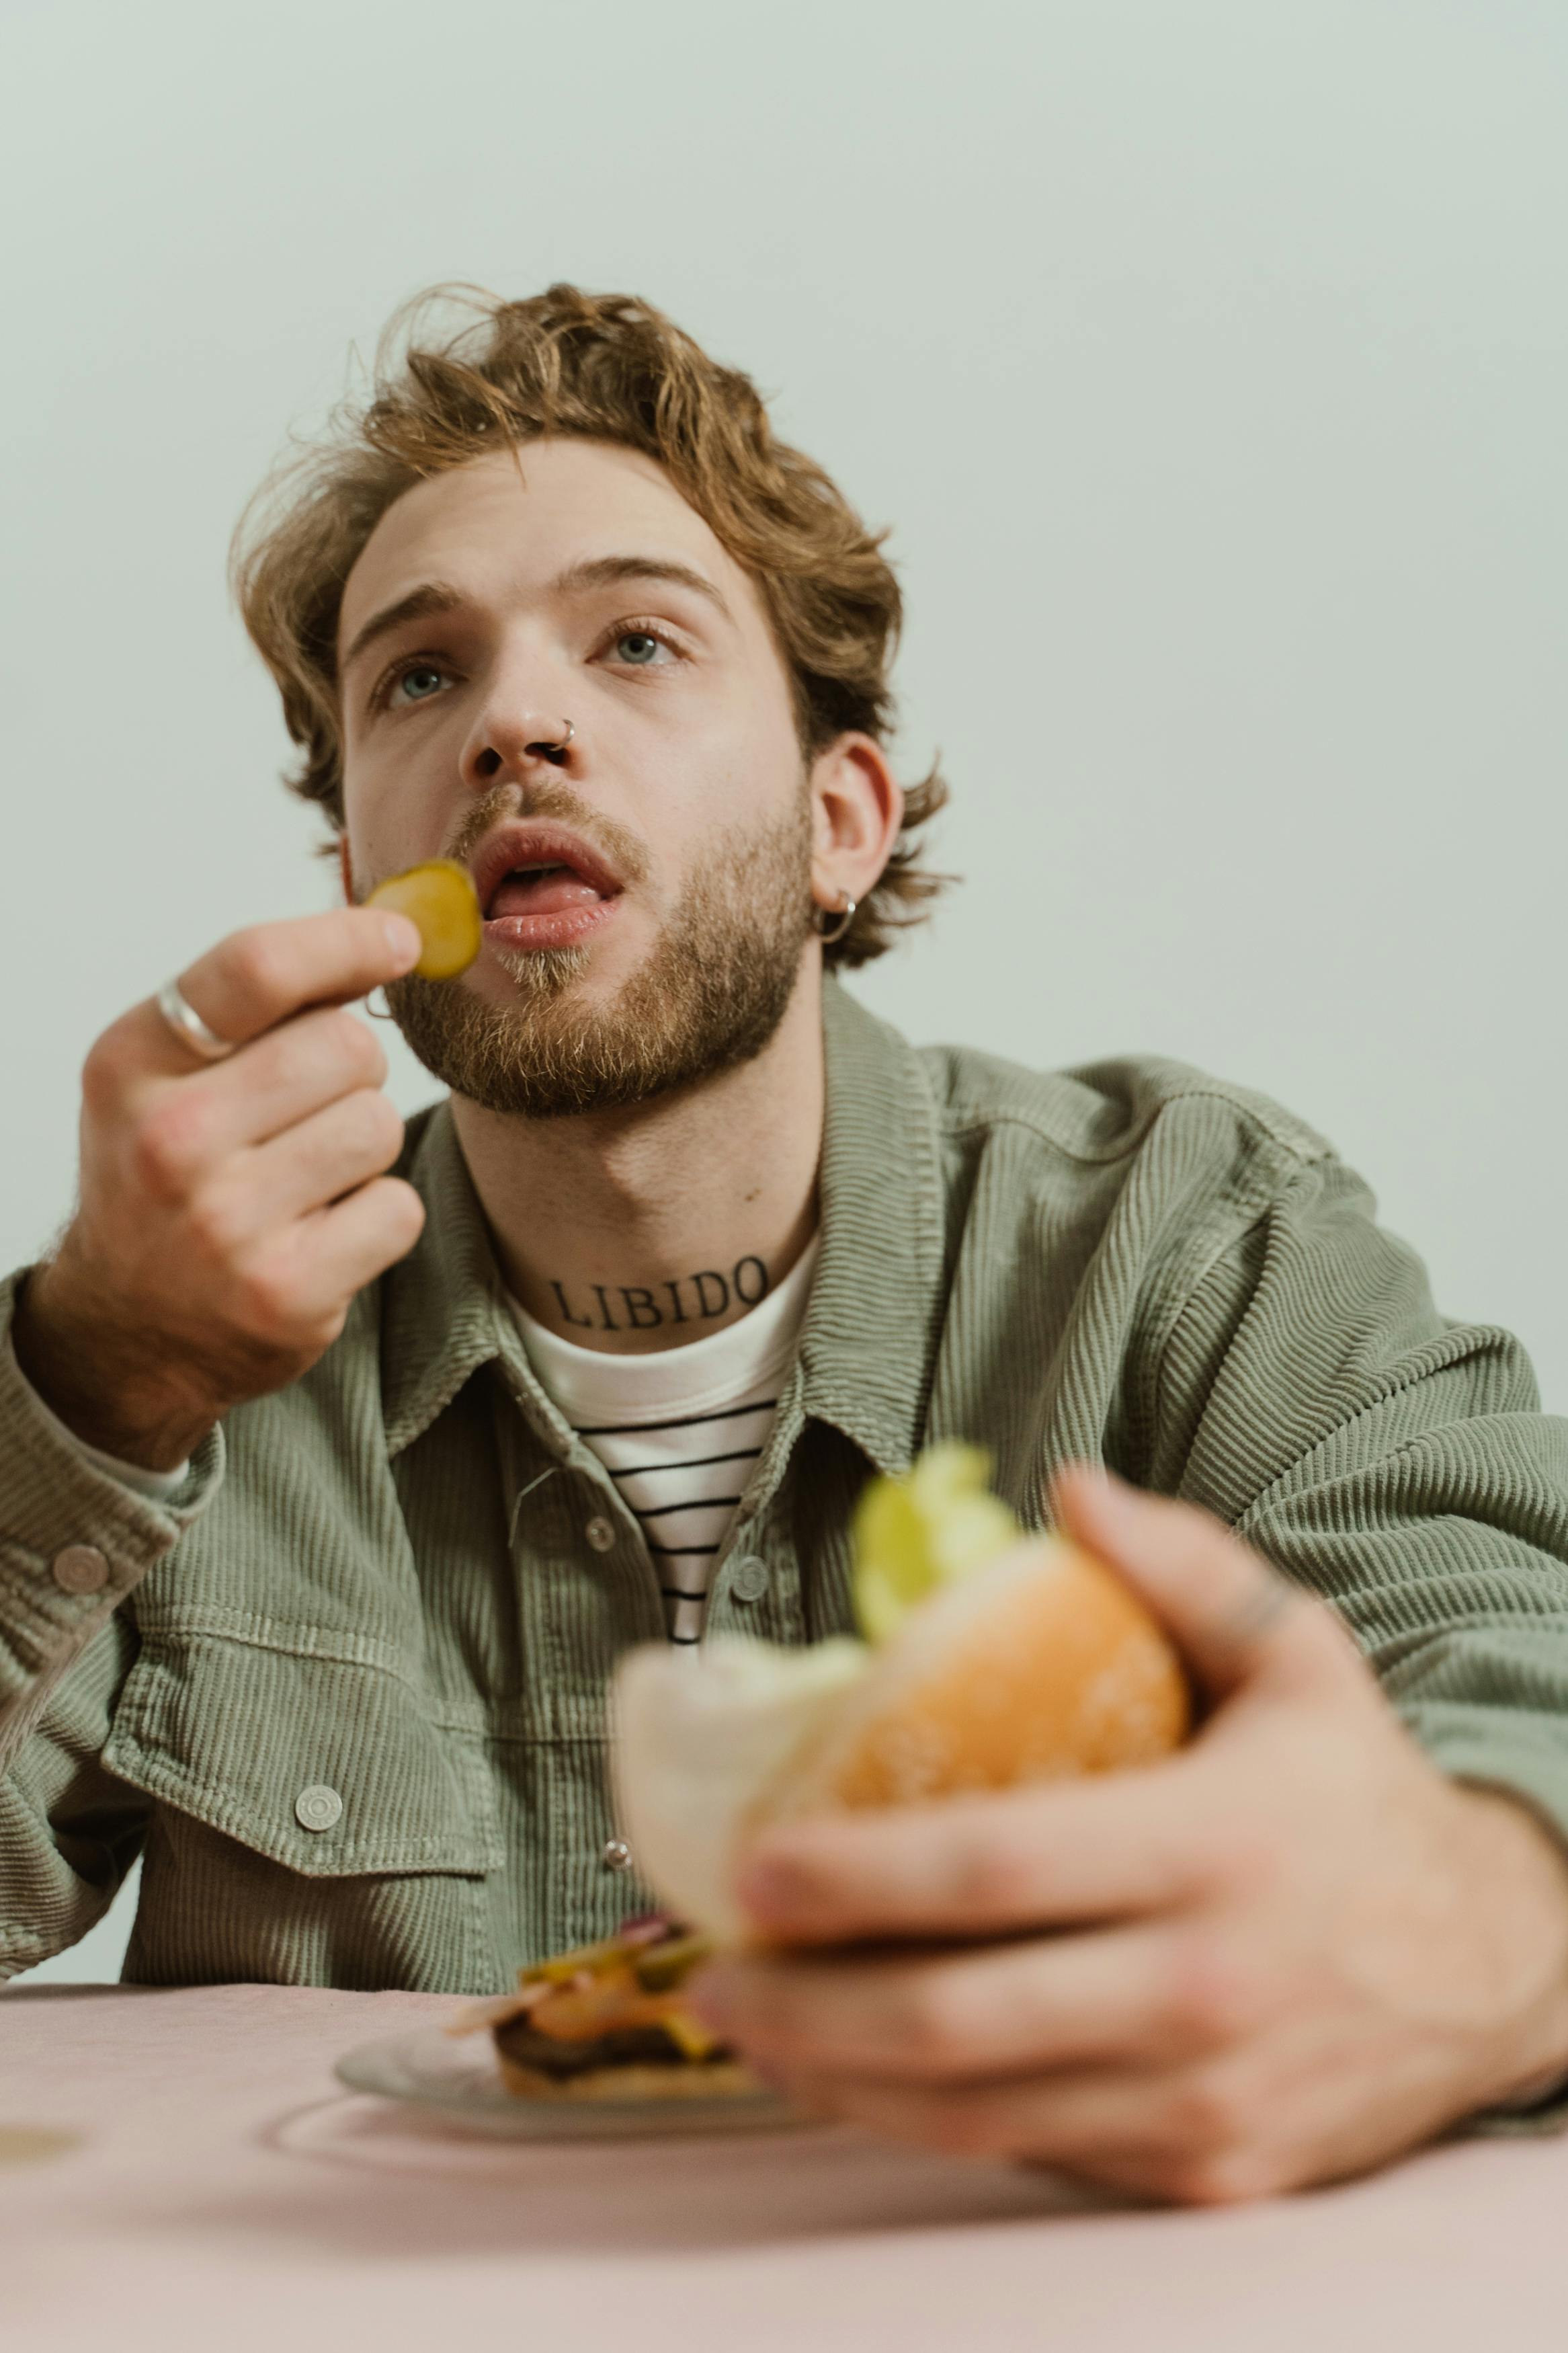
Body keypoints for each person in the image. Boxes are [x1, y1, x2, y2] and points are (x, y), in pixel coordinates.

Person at [5, 284, 1568, 2204]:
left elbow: (1529, 1664)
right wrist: (96, 1370)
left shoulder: (1185, 1248)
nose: (514, 724)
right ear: (356, 867)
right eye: (417, 679)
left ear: (843, 822)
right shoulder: (182, 1360)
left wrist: (1473, 1924)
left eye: (637, 640)